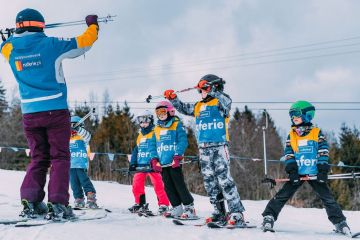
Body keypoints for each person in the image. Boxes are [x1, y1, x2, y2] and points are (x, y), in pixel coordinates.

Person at [0, 8, 99, 220]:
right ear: (40, 25)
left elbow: (5, 45)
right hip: (55, 111)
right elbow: (83, 43)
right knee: (60, 157)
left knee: (38, 157)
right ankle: (58, 203)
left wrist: (11, 36)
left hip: (30, 113)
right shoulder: (51, 44)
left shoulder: (9, 48)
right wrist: (92, 25)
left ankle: (32, 201)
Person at [163, 74, 245, 226]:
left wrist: (212, 88)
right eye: (200, 90)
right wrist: (173, 99)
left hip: (219, 147)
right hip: (204, 149)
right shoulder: (198, 106)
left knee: (225, 180)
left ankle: (236, 212)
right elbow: (182, 108)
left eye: (204, 89)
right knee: (210, 182)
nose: (201, 92)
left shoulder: (221, 103)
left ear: (213, 87)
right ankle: (219, 212)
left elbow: (227, 100)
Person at [261, 100, 351, 235]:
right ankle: (269, 217)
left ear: (307, 115)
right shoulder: (291, 135)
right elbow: (289, 154)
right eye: (291, 115)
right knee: (283, 195)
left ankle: (340, 223)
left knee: (328, 198)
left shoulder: (316, 132)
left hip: (315, 173)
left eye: (296, 114)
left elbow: (323, 152)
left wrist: (322, 169)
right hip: (298, 173)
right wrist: (292, 171)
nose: (293, 117)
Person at [153, 101, 197, 219]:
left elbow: (183, 141)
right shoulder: (156, 129)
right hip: (163, 163)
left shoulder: (176, 124)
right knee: (168, 186)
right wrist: (154, 160)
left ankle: (189, 208)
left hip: (173, 162)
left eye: (163, 111)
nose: (160, 114)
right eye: (158, 112)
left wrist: (177, 156)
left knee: (179, 184)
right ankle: (177, 207)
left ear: (170, 111)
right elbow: (153, 146)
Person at [128, 110, 170, 214]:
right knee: (136, 184)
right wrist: (133, 163)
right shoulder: (140, 135)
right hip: (141, 164)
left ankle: (163, 204)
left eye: (145, 120)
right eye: (141, 121)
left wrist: (159, 160)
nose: (143, 123)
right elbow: (136, 149)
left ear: (151, 120)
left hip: (153, 164)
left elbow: (160, 147)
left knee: (158, 184)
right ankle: (140, 203)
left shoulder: (155, 132)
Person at [69, 116, 98, 209]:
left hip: (81, 164)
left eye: (74, 125)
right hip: (70, 165)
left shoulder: (82, 136)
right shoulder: (68, 138)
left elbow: (87, 135)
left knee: (84, 181)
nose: (71, 128)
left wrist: (78, 129)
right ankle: (79, 199)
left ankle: (91, 198)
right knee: (74, 183)